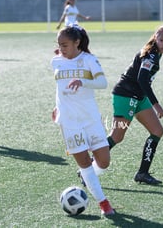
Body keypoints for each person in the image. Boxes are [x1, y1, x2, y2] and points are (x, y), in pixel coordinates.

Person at [51, 25, 115, 216]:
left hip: (90, 118)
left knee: (104, 162)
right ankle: (103, 203)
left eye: (65, 45)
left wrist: (83, 81)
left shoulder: (88, 60)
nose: (61, 48)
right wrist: (56, 106)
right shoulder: (55, 61)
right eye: (59, 45)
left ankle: (88, 179)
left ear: (77, 42)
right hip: (69, 121)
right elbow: (60, 87)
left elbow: (103, 83)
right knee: (84, 162)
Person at [106, 25, 163, 185]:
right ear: (155, 37)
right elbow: (142, 80)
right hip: (126, 95)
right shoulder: (150, 55)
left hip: (139, 97)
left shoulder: (156, 53)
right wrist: (156, 104)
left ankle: (142, 173)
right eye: (162, 40)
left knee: (157, 131)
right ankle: (88, 166)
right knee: (117, 136)